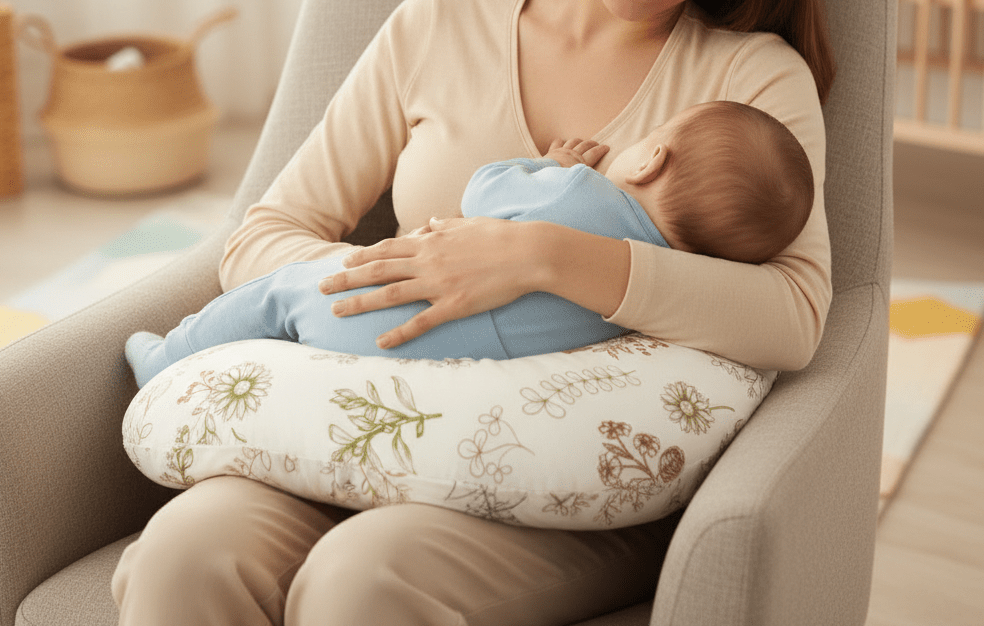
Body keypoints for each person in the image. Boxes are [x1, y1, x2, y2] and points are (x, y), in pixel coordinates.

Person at [112, 0, 835, 626]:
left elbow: (796, 315)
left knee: (360, 581)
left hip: (558, 484)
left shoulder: (749, 82)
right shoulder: (442, 20)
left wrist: (542, 256)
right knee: (186, 552)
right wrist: (402, 281)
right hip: (361, 423)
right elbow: (268, 234)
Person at [124, 100, 814, 389]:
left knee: (278, 295)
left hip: (373, 314)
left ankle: (168, 360)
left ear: (646, 160)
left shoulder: (581, 190)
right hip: (443, 369)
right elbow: (266, 227)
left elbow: (485, 192)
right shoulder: (652, 292)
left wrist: (549, 164)